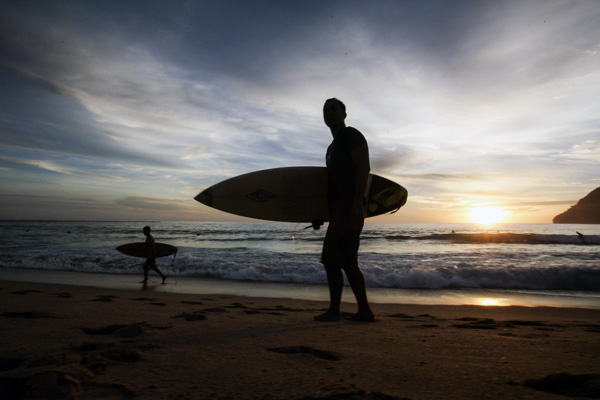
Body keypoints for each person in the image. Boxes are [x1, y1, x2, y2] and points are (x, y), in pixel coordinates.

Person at [314, 98, 375, 322]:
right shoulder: (331, 148)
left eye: (333, 109)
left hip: (350, 209)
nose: (329, 113)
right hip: (339, 210)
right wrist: (321, 214)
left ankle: (337, 311)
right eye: (326, 110)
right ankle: (362, 311)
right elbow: (332, 185)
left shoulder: (351, 136)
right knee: (346, 262)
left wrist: (357, 204)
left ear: (344, 114)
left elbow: (363, 169)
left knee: (333, 260)